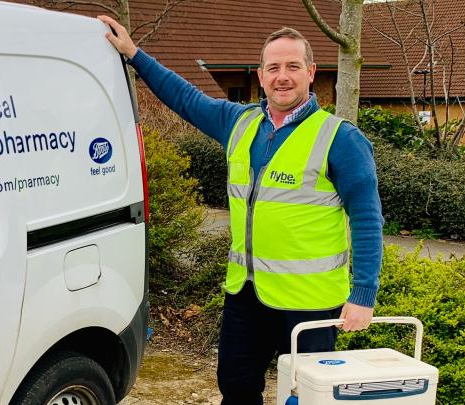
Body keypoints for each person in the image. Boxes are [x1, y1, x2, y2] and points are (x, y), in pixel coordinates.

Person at [97, 15, 384, 405]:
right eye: (273, 67)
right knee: (235, 386)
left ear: (311, 73)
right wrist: (133, 54)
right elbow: (184, 97)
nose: (283, 76)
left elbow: (367, 218)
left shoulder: (340, 138)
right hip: (245, 294)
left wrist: (363, 294)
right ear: (262, 76)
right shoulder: (239, 122)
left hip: (311, 303)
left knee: (308, 396)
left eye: (293, 67)